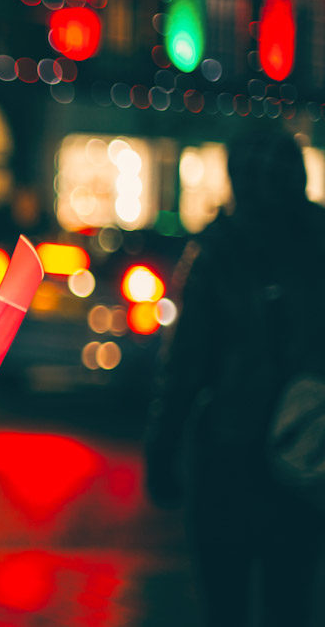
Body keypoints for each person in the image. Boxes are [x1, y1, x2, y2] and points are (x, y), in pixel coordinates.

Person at [145, 125, 325, 626]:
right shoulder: (318, 244)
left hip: (230, 452)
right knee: (290, 599)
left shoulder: (217, 253)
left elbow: (185, 367)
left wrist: (162, 452)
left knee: (226, 601)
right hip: (304, 451)